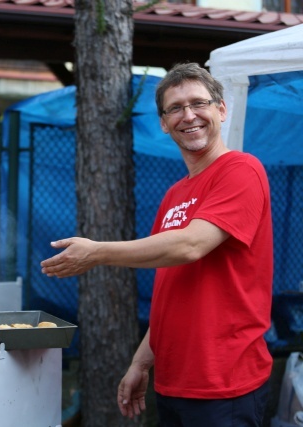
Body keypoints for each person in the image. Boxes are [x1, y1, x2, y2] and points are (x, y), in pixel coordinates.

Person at [40, 62, 272, 427]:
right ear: (163, 123)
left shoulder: (241, 170)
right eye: (175, 108)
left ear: (221, 109)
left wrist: (97, 252)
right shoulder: (174, 195)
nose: (189, 115)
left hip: (224, 384)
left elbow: (191, 246)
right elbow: (172, 288)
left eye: (199, 103)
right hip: (174, 383)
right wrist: (140, 362)